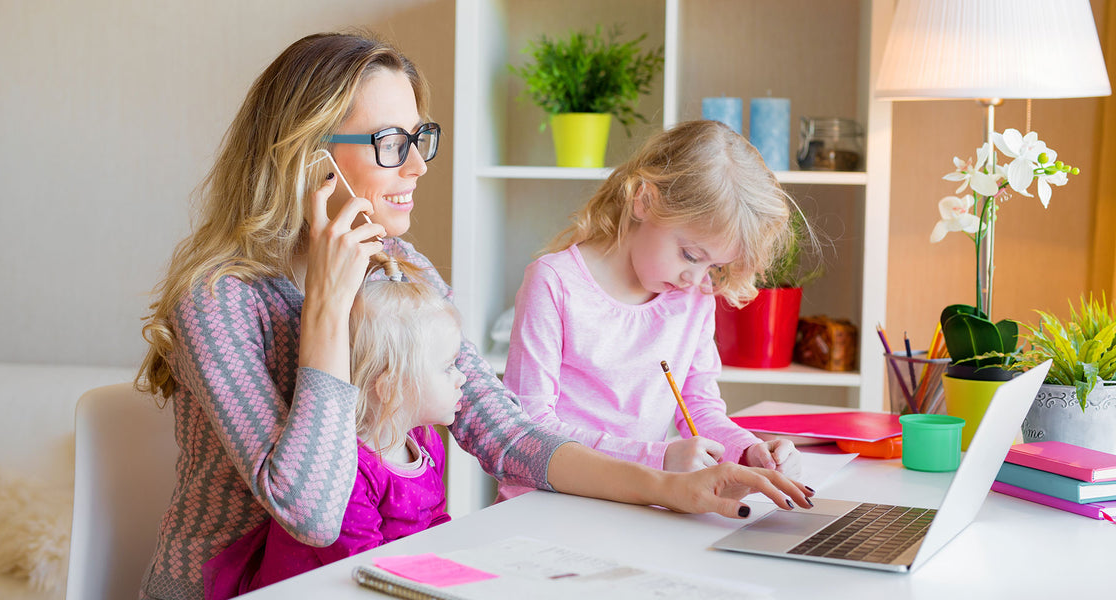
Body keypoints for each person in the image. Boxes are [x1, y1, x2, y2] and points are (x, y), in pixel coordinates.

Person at [136, 32, 813, 600]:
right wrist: (327, 308)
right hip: (244, 588)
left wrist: (672, 486)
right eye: (390, 143)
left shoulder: (406, 274)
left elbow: (509, 435)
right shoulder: (221, 300)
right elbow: (311, 515)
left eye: (418, 138)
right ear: (308, 158)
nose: (420, 166)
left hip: (359, 576)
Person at [500, 120, 803, 501]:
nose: (696, 278)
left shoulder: (695, 296)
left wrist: (748, 450)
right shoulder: (555, 282)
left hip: (636, 503)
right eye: (691, 255)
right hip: (547, 502)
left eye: (713, 266)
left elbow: (700, 408)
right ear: (644, 200)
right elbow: (530, 430)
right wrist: (658, 459)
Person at [203, 274, 464, 599]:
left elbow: (435, 522)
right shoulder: (345, 467)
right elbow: (362, 566)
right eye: (448, 367)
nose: (461, 377)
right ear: (391, 387)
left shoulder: (425, 443)